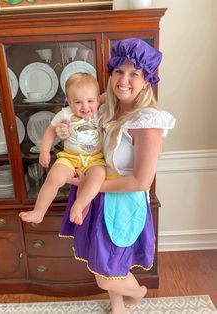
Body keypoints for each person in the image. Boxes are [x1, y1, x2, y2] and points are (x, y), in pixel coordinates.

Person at [58, 38, 175, 314]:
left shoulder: (148, 121)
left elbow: (141, 181)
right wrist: (63, 127)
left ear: (146, 79)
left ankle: (139, 292)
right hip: (99, 194)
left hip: (122, 200)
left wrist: (92, 185)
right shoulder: (108, 104)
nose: (124, 80)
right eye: (119, 72)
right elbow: (75, 107)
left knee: (106, 272)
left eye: (134, 73)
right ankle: (118, 304)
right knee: (105, 262)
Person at [19, 72, 106, 225]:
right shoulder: (65, 113)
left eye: (90, 101)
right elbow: (50, 131)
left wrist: (99, 99)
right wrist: (44, 151)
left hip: (94, 158)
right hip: (69, 157)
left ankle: (79, 205)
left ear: (98, 99)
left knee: (98, 176)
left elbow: (109, 97)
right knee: (53, 177)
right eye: (78, 102)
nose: (85, 106)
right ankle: (39, 211)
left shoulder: (99, 112)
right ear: (69, 102)